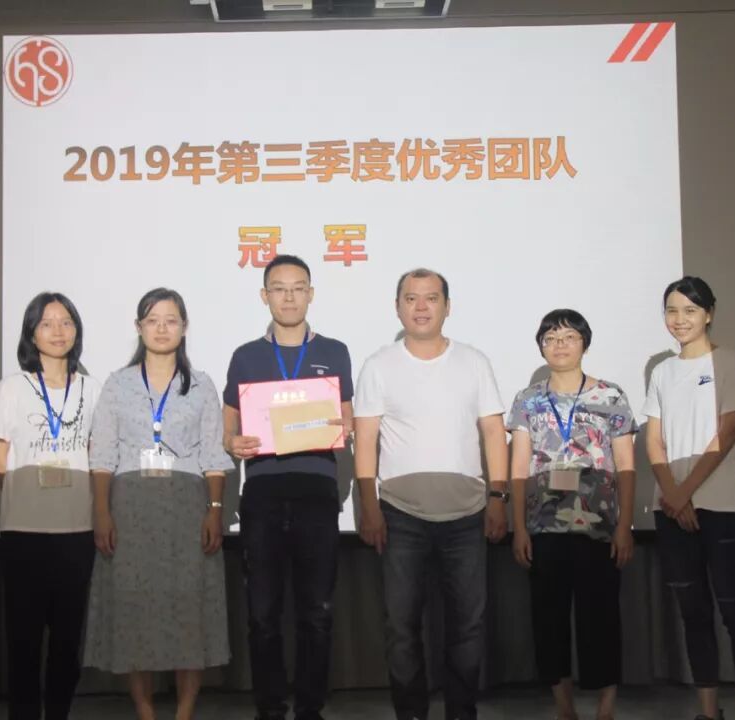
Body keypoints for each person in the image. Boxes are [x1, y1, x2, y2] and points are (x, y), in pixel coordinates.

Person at [353, 268, 508, 720]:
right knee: (402, 627)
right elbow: (366, 440)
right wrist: (369, 507)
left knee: (468, 626)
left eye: (431, 298)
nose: (421, 307)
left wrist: (498, 497)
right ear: (397, 307)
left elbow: (493, 433)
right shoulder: (379, 365)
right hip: (401, 515)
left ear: (447, 306)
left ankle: (461, 712)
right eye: (411, 298)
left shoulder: (474, 362)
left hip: (467, 514)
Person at [83, 288, 233, 720]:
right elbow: (102, 455)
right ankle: (145, 712)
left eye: (171, 320)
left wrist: (215, 510)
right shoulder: (117, 384)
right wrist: (101, 512)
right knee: (135, 610)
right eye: (152, 320)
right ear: (139, 327)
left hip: (188, 509)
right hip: (130, 509)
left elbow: (213, 455)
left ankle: (184, 713)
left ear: (184, 327)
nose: (162, 328)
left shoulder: (201, 385)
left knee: (189, 609)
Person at [222, 255, 353, 720]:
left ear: (311, 294)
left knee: (317, 612)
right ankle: (270, 708)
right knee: (263, 614)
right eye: (279, 288)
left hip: (317, 491)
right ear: (265, 296)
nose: (289, 297)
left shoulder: (335, 351)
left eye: (298, 287)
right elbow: (229, 426)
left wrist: (343, 426)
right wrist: (232, 441)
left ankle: (311, 708)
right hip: (262, 492)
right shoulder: (245, 356)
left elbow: (347, 416)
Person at [507, 309, 637, 720]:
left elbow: (626, 467)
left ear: (585, 343)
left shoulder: (611, 396)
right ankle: (564, 708)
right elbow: (518, 468)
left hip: (600, 529)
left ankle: (605, 708)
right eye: (550, 338)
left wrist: (625, 526)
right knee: (549, 621)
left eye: (568, 337)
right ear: (541, 346)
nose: (559, 344)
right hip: (543, 528)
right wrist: (518, 528)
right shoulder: (527, 400)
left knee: (601, 619)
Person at [645, 276, 735, 720]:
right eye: (672, 311)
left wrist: (685, 491)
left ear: (709, 314)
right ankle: (709, 711)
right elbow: (653, 440)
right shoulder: (661, 370)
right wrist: (673, 495)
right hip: (672, 509)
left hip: (722, 508)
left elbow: (726, 434)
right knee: (693, 614)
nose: (680, 319)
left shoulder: (730, 362)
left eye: (690, 310)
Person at [0, 292, 101, 720]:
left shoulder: (92, 388)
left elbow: (97, 455)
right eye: (47, 323)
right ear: (31, 334)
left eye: (66, 322)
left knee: (68, 643)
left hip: (76, 530)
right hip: (24, 532)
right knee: (23, 641)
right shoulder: (12, 388)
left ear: (77, 331)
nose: (57, 331)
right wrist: (28, 495)